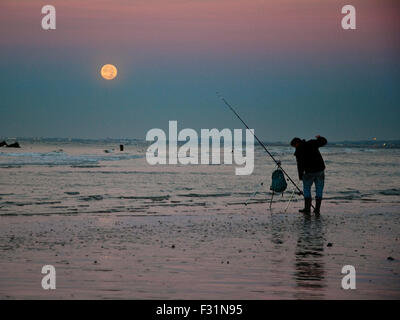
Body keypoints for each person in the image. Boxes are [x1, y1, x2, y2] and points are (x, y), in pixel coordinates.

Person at [290, 135, 327, 214]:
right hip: (320, 170)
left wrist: (300, 176)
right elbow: (324, 142)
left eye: (294, 146)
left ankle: (307, 209)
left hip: (308, 172)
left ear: (296, 143)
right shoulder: (312, 143)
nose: (294, 148)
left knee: (307, 190)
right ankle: (317, 209)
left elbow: (299, 165)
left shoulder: (298, 150)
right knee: (319, 190)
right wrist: (320, 137)